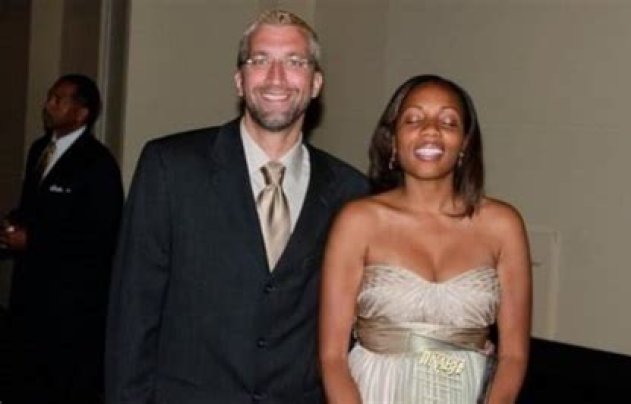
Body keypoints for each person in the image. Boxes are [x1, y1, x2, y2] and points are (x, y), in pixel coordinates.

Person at [105, 9, 368, 404]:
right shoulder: (170, 168)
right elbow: (132, 312)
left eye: (294, 62)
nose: (276, 77)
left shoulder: (351, 192)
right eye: (260, 60)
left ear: (316, 83)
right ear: (239, 81)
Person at [319, 74, 531, 404]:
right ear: (393, 139)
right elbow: (332, 357)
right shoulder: (358, 221)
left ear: (465, 143)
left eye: (448, 121)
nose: (431, 129)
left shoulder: (503, 226)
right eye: (414, 119)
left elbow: (514, 356)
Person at [1, 74, 124, 403]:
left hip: (70, 307)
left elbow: (101, 236)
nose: (48, 105)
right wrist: (13, 226)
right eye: (49, 97)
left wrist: (35, 242)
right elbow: (34, 207)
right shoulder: (40, 150)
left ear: (81, 113)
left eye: (58, 100)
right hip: (30, 295)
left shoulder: (98, 165)